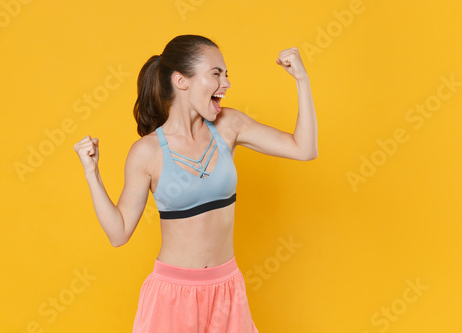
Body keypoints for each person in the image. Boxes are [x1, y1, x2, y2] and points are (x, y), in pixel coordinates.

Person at [73, 34, 317, 332]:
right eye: (216, 74)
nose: (226, 83)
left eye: (227, 74)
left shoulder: (229, 126)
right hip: (172, 298)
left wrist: (301, 80)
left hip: (227, 292)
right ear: (181, 81)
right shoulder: (147, 152)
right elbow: (118, 233)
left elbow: (304, 149)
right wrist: (92, 173)